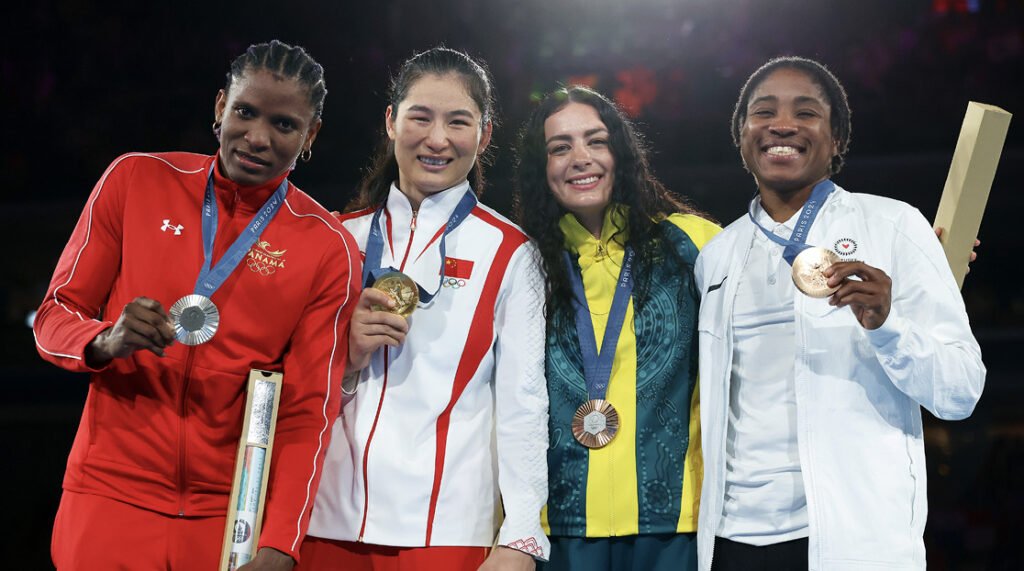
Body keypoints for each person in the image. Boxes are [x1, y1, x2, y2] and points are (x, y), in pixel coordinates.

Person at [33, 40, 360, 570]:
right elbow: (53, 316)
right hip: (107, 496)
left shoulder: (326, 245)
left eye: (283, 125)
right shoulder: (136, 180)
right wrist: (105, 338)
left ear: (310, 136)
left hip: (227, 516)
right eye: (245, 112)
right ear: (219, 107)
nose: (257, 138)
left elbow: (309, 411)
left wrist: (281, 542)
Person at [694, 56, 986, 570]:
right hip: (733, 540)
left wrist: (888, 327)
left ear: (836, 140)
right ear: (742, 136)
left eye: (806, 113)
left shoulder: (894, 225)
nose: (782, 123)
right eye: (764, 112)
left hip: (853, 538)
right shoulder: (716, 256)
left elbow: (961, 391)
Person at [300, 47, 549, 571]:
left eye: (458, 122)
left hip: (445, 532)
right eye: (420, 117)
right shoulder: (337, 238)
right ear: (391, 122)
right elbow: (293, 390)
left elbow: (523, 403)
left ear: (483, 137)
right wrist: (345, 360)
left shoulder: (509, 252)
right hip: (323, 523)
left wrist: (522, 534)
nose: (437, 139)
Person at [514, 86, 721, 571]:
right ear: (540, 169)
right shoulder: (521, 264)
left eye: (596, 141)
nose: (580, 159)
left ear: (622, 153)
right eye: (560, 148)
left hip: (674, 525)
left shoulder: (693, 242)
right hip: (558, 527)